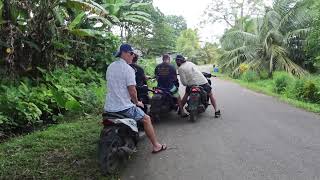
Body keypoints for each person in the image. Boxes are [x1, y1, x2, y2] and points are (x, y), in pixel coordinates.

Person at [104, 44, 167, 153]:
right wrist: (137, 102)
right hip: (123, 108)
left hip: (108, 107)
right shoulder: (128, 69)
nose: (133, 56)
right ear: (124, 53)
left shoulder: (110, 66)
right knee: (147, 119)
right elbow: (132, 90)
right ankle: (156, 145)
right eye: (131, 53)